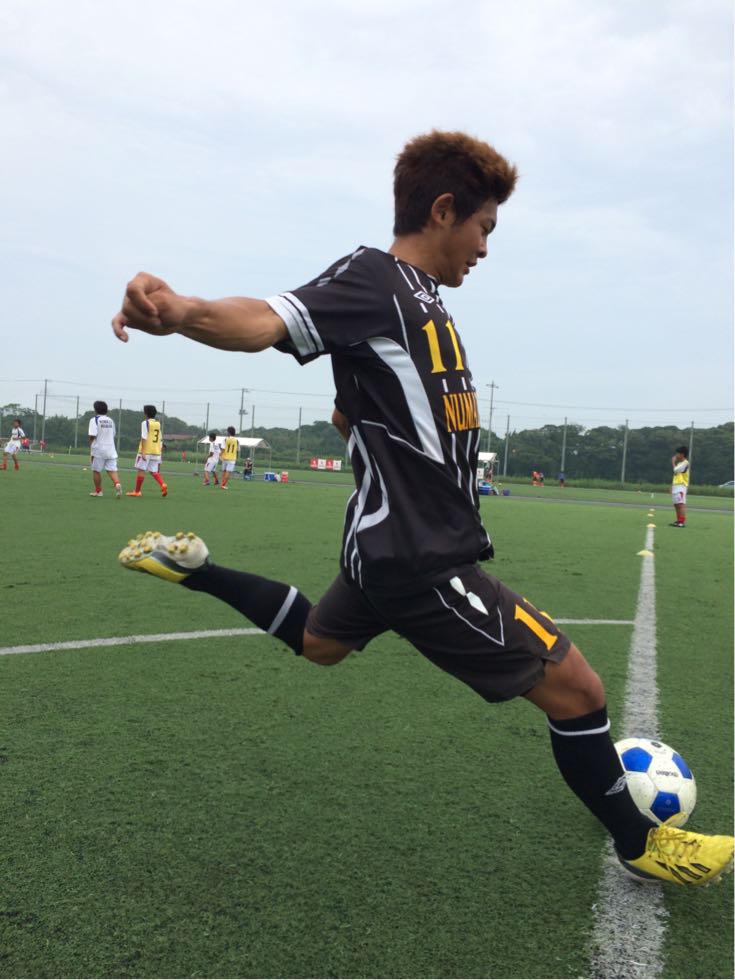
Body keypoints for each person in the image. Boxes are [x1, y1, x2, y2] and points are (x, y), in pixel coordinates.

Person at [111, 130, 733, 886]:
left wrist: (365, 425)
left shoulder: (422, 305)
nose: (484, 248)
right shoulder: (376, 279)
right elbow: (267, 319)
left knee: (319, 641)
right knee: (578, 690)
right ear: (442, 211)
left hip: (383, 547)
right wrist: (183, 312)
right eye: (483, 228)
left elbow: (354, 408)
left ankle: (199, 570)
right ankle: (642, 844)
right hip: (421, 555)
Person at [127, 405, 168, 497]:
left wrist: (143, 451)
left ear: (145, 413)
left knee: (141, 470)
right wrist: (160, 448)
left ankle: (137, 491)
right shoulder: (157, 424)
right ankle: (162, 484)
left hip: (147, 451)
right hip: (156, 451)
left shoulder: (145, 423)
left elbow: (144, 437)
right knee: (153, 471)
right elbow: (160, 437)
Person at [88, 401, 122, 497]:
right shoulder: (110, 420)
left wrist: (91, 447)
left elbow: (92, 435)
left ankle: (98, 491)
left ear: (95, 410)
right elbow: (113, 434)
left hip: (98, 450)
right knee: (112, 470)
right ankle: (117, 484)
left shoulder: (94, 420)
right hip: (111, 449)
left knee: (96, 470)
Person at [670, 446, 690, 527]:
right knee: (676, 504)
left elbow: (675, 470)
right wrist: (672, 486)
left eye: (677, 453)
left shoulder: (685, 463)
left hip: (681, 486)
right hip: (676, 485)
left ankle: (681, 522)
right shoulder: (679, 464)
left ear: (682, 454)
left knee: (680, 504)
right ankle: (678, 520)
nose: (676, 455)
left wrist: (673, 462)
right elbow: (676, 474)